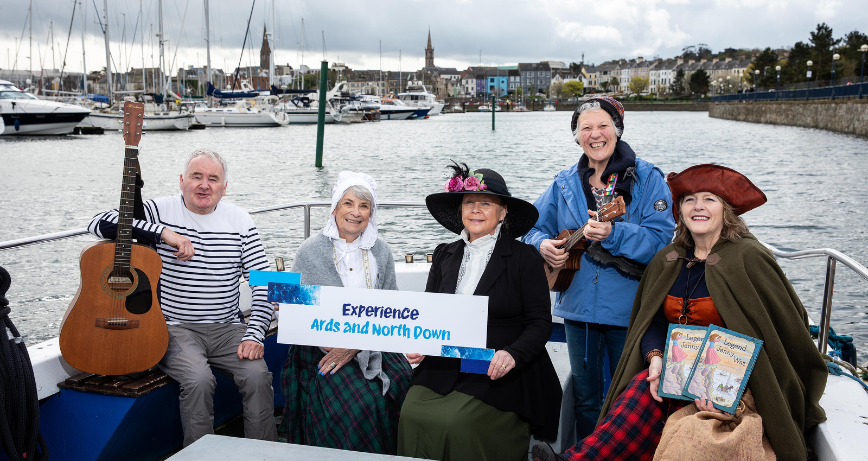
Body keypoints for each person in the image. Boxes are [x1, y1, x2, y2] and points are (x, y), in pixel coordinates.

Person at [532, 164, 827, 460]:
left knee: (690, 439)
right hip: (676, 375)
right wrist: (656, 359)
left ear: (726, 210)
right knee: (639, 390)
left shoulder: (749, 258)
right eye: (689, 200)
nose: (698, 206)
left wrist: (722, 386)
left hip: (737, 386)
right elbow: (654, 321)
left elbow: (785, 330)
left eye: (709, 199)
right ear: (680, 211)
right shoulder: (668, 260)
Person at [87, 149, 277, 446]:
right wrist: (163, 234)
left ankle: (263, 452)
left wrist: (254, 334)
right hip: (175, 328)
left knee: (258, 377)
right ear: (181, 181)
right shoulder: (160, 210)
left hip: (227, 328)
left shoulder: (240, 220)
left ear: (224, 187)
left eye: (213, 179)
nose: (204, 185)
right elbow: (99, 221)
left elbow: (265, 283)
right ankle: (200, 455)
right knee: (199, 380)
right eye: (196, 176)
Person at [522, 96, 676, 439]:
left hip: (630, 310)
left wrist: (614, 233)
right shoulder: (563, 184)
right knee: (586, 399)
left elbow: (662, 240)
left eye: (603, 125)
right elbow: (528, 228)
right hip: (577, 309)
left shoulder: (647, 178)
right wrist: (542, 245)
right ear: (577, 137)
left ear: (617, 131)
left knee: (628, 400)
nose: (596, 134)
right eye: (586, 128)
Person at [397, 164, 562, 461]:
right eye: (469, 202)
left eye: (486, 203)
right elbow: (430, 312)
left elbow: (539, 323)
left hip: (497, 366)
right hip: (444, 363)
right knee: (410, 414)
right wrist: (420, 343)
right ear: (460, 210)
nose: (476, 210)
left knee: (457, 424)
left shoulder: (525, 257)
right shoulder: (444, 253)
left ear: (503, 212)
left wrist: (512, 354)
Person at [278, 171, 412, 454]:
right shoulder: (310, 251)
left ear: (371, 213)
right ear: (335, 207)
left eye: (364, 206)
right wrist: (285, 304)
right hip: (320, 346)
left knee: (404, 385)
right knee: (359, 405)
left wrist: (357, 343)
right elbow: (298, 311)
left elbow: (391, 305)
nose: (355, 212)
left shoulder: (381, 251)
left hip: (373, 340)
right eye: (348, 203)